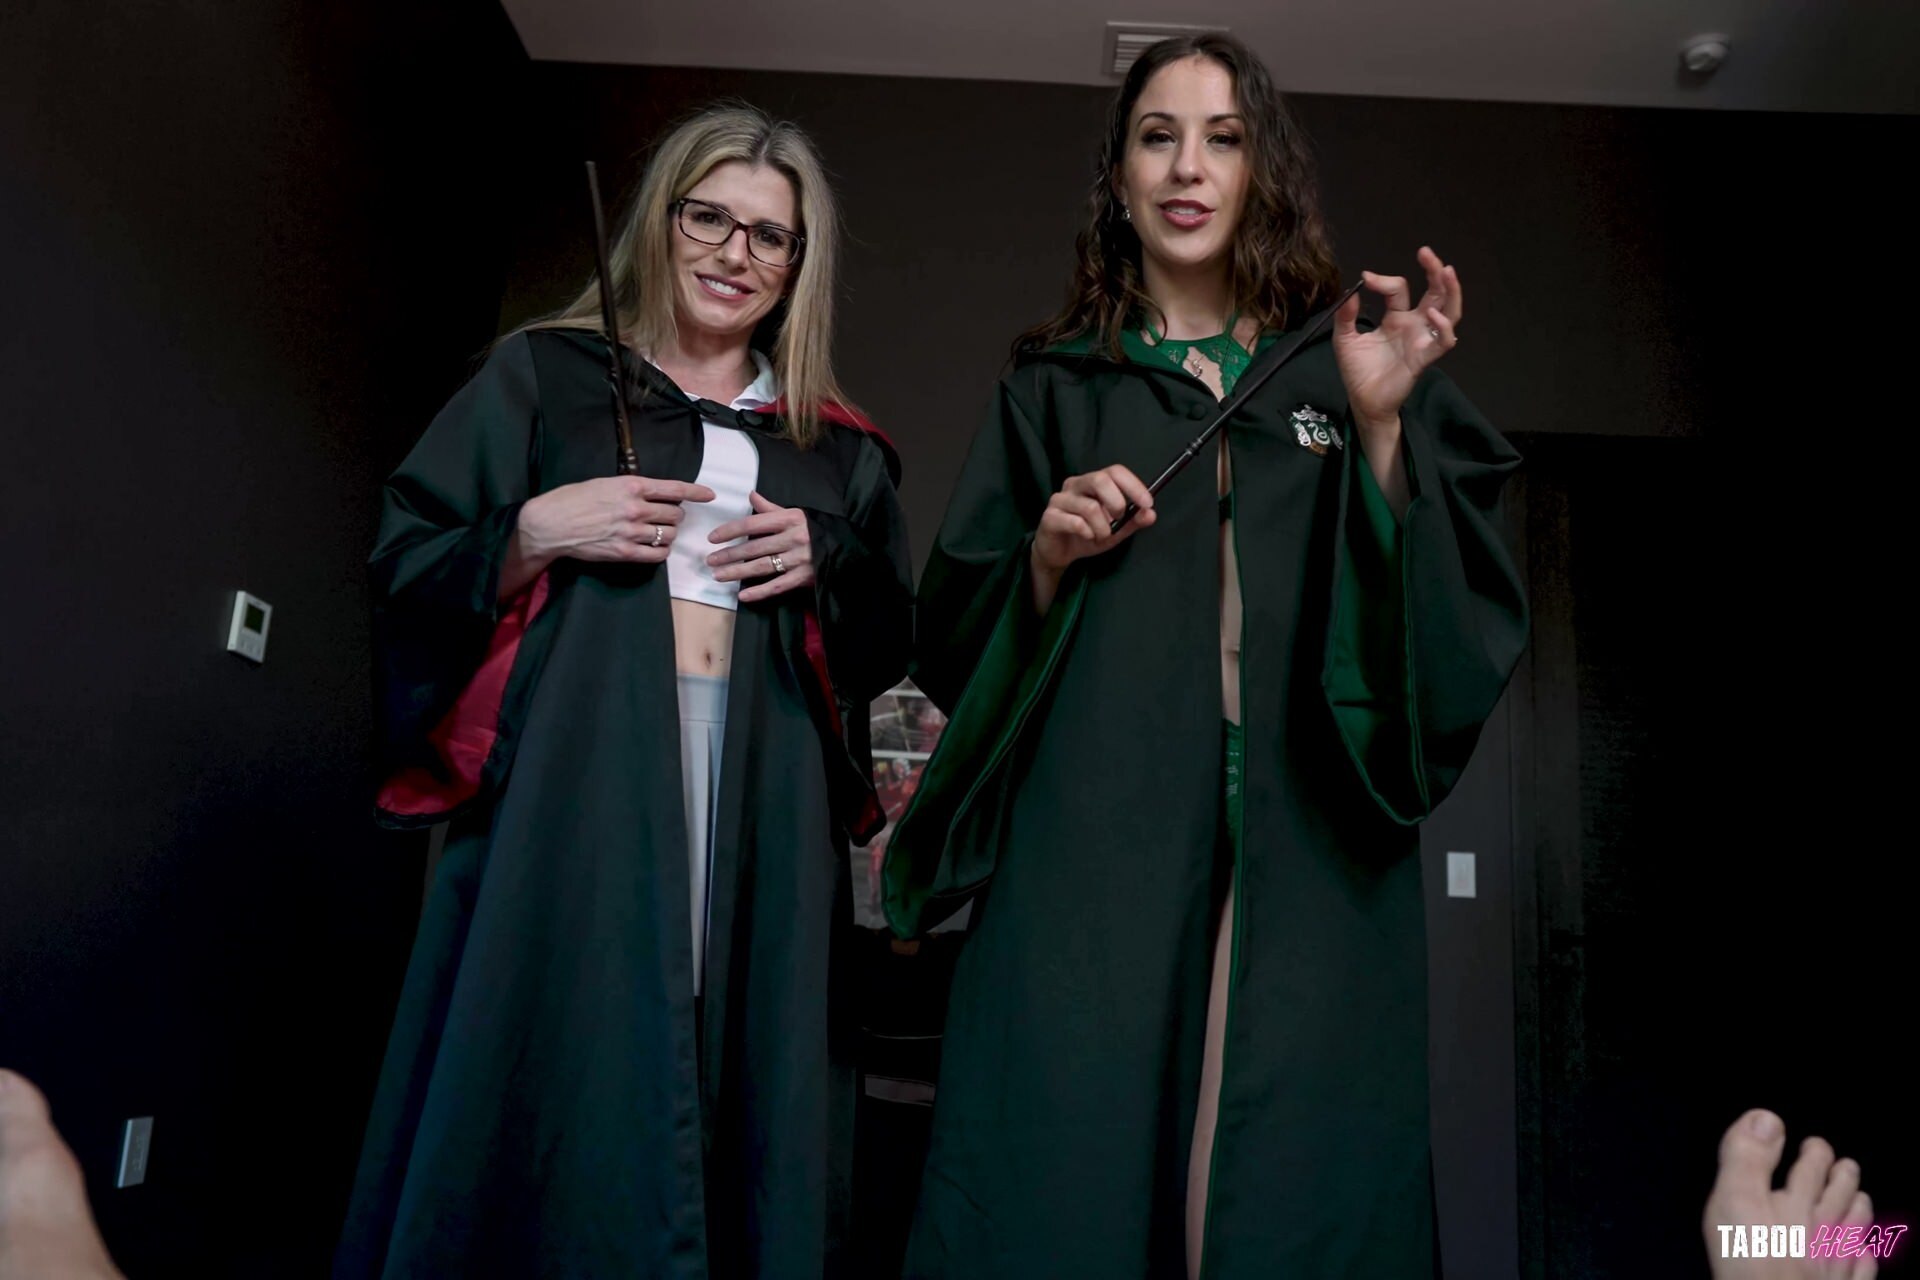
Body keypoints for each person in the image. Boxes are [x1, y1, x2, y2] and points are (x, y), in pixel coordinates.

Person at [882, 32, 1526, 1277]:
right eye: (1157, 136)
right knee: (1069, 1158)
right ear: (1119, 177)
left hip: (1310, 836)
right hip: (1096, 841)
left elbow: (1453, 632)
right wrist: (1046, 557)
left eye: (1223, 139)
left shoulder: (1344, 363)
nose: (1188, 167)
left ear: (1258, 171)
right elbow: (952, 637)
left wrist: (1381, 433)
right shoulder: (1057, 387)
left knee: (1293, 1180)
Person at [335, 103, 911, 1278]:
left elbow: (887, 640)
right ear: (661, 219)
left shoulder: (837, 446)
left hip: (761, 790)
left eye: (769, 235)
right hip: (577, 765)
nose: (735, 254)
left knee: (737, 1046)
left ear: (798, 264)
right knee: (572, 1029)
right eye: (710, 218)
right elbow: (407, 560)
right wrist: (537, 526)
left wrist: (828, 555)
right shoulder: (543, 380)